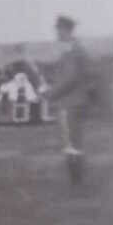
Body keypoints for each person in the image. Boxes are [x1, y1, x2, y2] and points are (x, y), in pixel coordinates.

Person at [43, 14, 91, 183]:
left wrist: (51, 93)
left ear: (65, 30)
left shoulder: (72, 52)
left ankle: (76, 181)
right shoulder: (76, 50)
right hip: (75, 101)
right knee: (73, 141)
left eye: (58, 30)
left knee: (70, 142)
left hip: (69, 103)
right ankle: (77, 180)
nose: (56, 34)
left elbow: (70, 79)